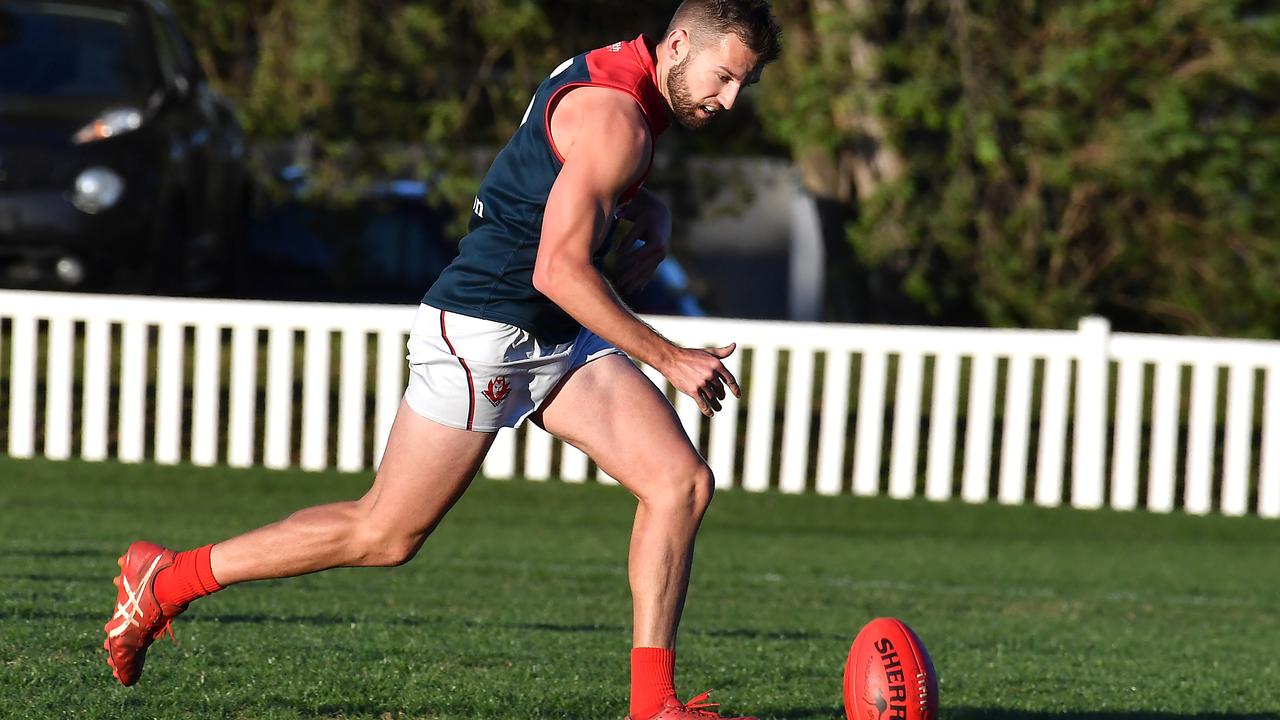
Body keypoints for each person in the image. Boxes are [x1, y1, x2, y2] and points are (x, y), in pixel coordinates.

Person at [103, 2, 781, 718]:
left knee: (679, 483)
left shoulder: (627, 78)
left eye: (744, 85)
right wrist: (669, 355)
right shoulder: (620, 117)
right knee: (385, 534)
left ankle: (654, 706)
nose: (729, 99)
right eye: (724, 77)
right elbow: (558, 268)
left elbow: (559, 178)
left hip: (554, 334)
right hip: (487, 330)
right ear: (678, 44)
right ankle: (167, 579)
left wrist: (652, 211)